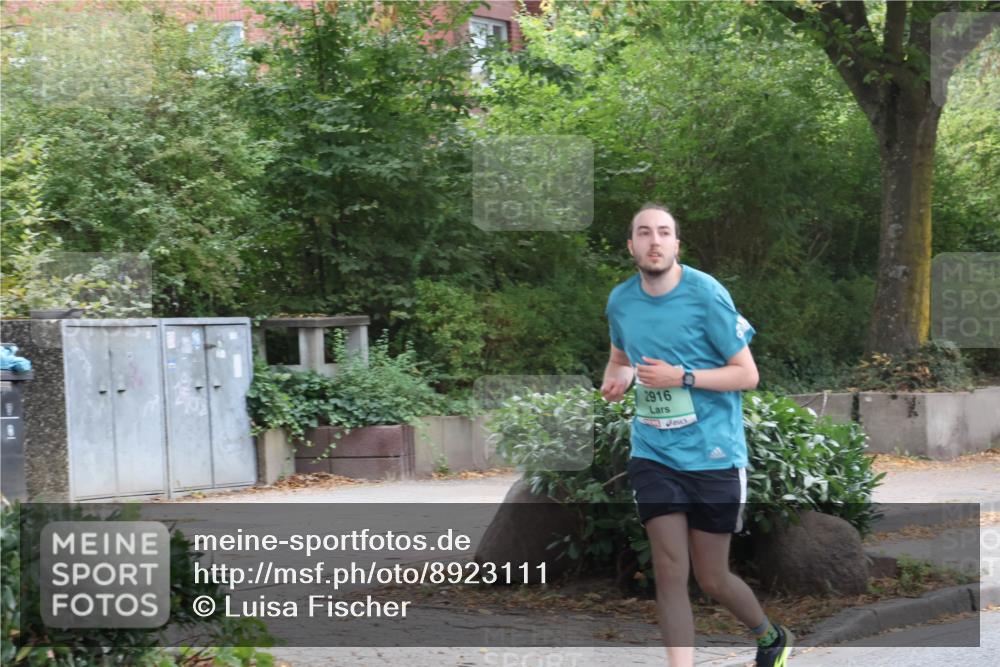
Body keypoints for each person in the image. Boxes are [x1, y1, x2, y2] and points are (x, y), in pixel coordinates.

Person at [600, 203, 792, 667]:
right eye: (644, 233)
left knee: (712, 578)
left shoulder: (707, 294)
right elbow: (620, 358)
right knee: (669, 572)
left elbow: (747, 375)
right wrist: (616, 380)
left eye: (664, 232)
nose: (654, 241)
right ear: (631, 245)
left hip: (714, 453)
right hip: (653, 452)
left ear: (676, 244)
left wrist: (682, 377)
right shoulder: (620, 301)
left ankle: (770, 637)